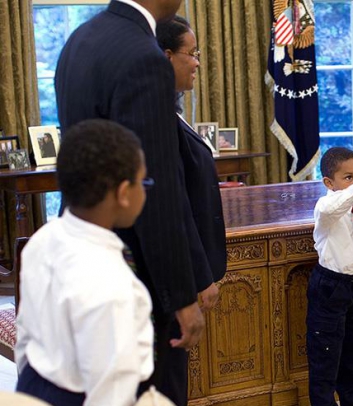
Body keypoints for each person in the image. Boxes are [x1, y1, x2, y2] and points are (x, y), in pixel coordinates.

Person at [54, 0, 205, 399]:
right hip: (136, 270)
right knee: (153, 390)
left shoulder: (79, 40)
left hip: (81, 251)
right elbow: (156, 186)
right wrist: (181, 296)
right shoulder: (144, 56)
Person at [15, 119, 154, 405]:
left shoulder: (42, 240)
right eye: (144, 182)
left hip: (34, 384)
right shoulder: (113, 285)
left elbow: (25, 337)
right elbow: (111, 394)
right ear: (123, 193)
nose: (145, 190)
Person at [156, 15, 226, 405]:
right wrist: (199, 277)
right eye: (192, 53)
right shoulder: (158, 119)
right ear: (167, 57)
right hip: (176, 279)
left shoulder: (173, 110)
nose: (198, 62)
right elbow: (176, 207)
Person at [308, 147, 353, 406]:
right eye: (348, 177)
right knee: (325, 354)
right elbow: (334, 207)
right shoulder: (325, 208)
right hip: (330, 287)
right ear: (328, 182)